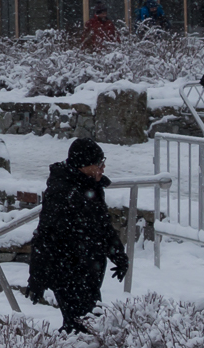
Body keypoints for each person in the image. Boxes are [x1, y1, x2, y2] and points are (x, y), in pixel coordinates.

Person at [26, 138, 128, 332]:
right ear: (83, 165)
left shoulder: (91, 187)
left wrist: (118, 256)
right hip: (67, 271)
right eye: (98, 164)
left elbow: (102, 225)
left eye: (102, 162)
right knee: (82, 327)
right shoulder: (61, 191)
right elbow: (44, 234)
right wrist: (37, 276)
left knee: (89, 324)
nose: (103, 167)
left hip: (90, 270)